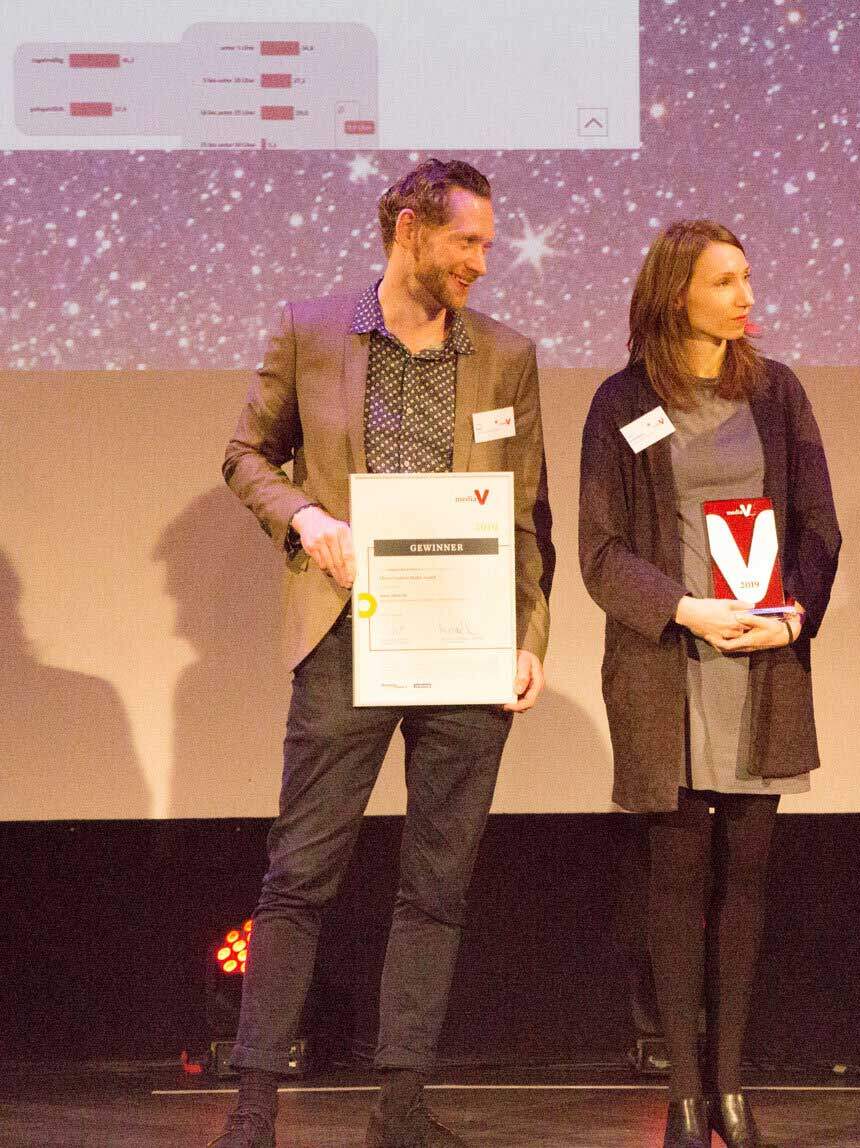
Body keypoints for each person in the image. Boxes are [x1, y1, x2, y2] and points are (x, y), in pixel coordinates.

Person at [212, 158, 553, 1148]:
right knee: (300, 873)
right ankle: (252, 1107)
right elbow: (245, 455)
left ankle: (400, 1107)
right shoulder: (313, 328)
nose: (481, 263)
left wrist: (527, 636)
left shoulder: (507, 355)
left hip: (466, 639)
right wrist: (306, 514)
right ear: (409, 228)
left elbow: (527, 511)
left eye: (488, 244)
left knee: (437, 880)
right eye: (467, 242)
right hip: (345, 632)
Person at [579, 220, 842, 1148]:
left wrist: (793, 613)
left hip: (761, 663)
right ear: (675, 293)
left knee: (749, 879)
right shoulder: (621, 402)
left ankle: (732, 1082)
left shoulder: (777, 392)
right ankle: (685, 1094)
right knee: (678, 878)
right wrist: (688, 611)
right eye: (725, 281)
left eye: (747, 276)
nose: (745, 295)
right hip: (668, 665)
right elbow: (601, 554)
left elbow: (818, 527)